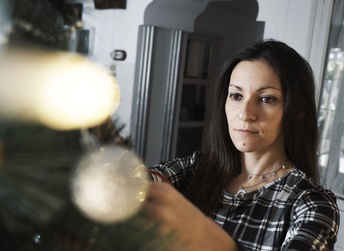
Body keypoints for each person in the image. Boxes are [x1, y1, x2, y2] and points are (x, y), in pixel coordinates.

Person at [144, 39, 340, 250]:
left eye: (266, 99)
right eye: (236, 96)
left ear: (296, 110)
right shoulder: (194, 170)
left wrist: (208, 237)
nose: (245, 114)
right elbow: (134, 185)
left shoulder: (311, 205)